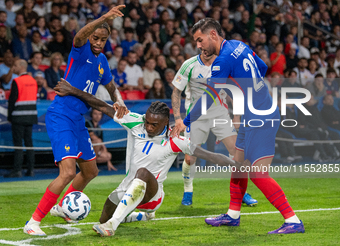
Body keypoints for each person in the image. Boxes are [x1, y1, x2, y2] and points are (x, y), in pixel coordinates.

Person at [53, 79, 249, 237]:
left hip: (153, 195)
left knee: (142, 174)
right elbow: (102, 106)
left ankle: (113, 225)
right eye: (147, 121)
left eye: (154, 124)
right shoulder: (136, 123)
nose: (148, 126)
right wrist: (72, 90)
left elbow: (210, 155)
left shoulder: (175, 140)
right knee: (102, 218)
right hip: (126, 187)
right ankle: (136, 217)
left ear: (166, 123)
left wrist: (236, 165)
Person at [172, 18, 304, 234]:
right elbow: (261, 67)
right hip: (257, 112)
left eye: (200, 40)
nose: (198, 45)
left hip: (259, 117)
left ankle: (292, 220)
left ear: (213, 34)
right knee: (239, 164)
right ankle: (233, 215)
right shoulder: (238, 44)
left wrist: (185, 122)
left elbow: (207, 99)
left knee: (257, 174)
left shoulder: (220, 61)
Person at [23, 5, 127, 236]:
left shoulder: (103, 64)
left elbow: (111, 87)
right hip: (61, 115)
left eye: (103, 39)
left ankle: (62, 208)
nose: (98, 42)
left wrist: (118, 100)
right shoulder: (81, 51)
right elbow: (79, 35)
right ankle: (33, 222)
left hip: (78, 120)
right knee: (68, 172)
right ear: (91, 36)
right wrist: (104, 17)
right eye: (96, 38)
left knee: (90, 171)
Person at [171, 53, 257, 206]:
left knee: (237, 153)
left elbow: (234, 91)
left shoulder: (224, 63)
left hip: (220, 114)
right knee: (190, 158)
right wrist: (178, 118)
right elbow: (176, 91)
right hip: (195, 117)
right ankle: (188, 190)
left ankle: (241, 192)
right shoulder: (189, 65)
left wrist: (236, 116)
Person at [6, 59, 37, 178]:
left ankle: (17, 170)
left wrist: (10, 116)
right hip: (31, 116)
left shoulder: (17, 81)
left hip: (18, 117)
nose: (14, 67)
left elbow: (12, 101)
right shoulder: (33, 81)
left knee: (18, 144)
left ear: (21, 67)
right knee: (29, 143)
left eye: (15, 65)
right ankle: (31, 170)